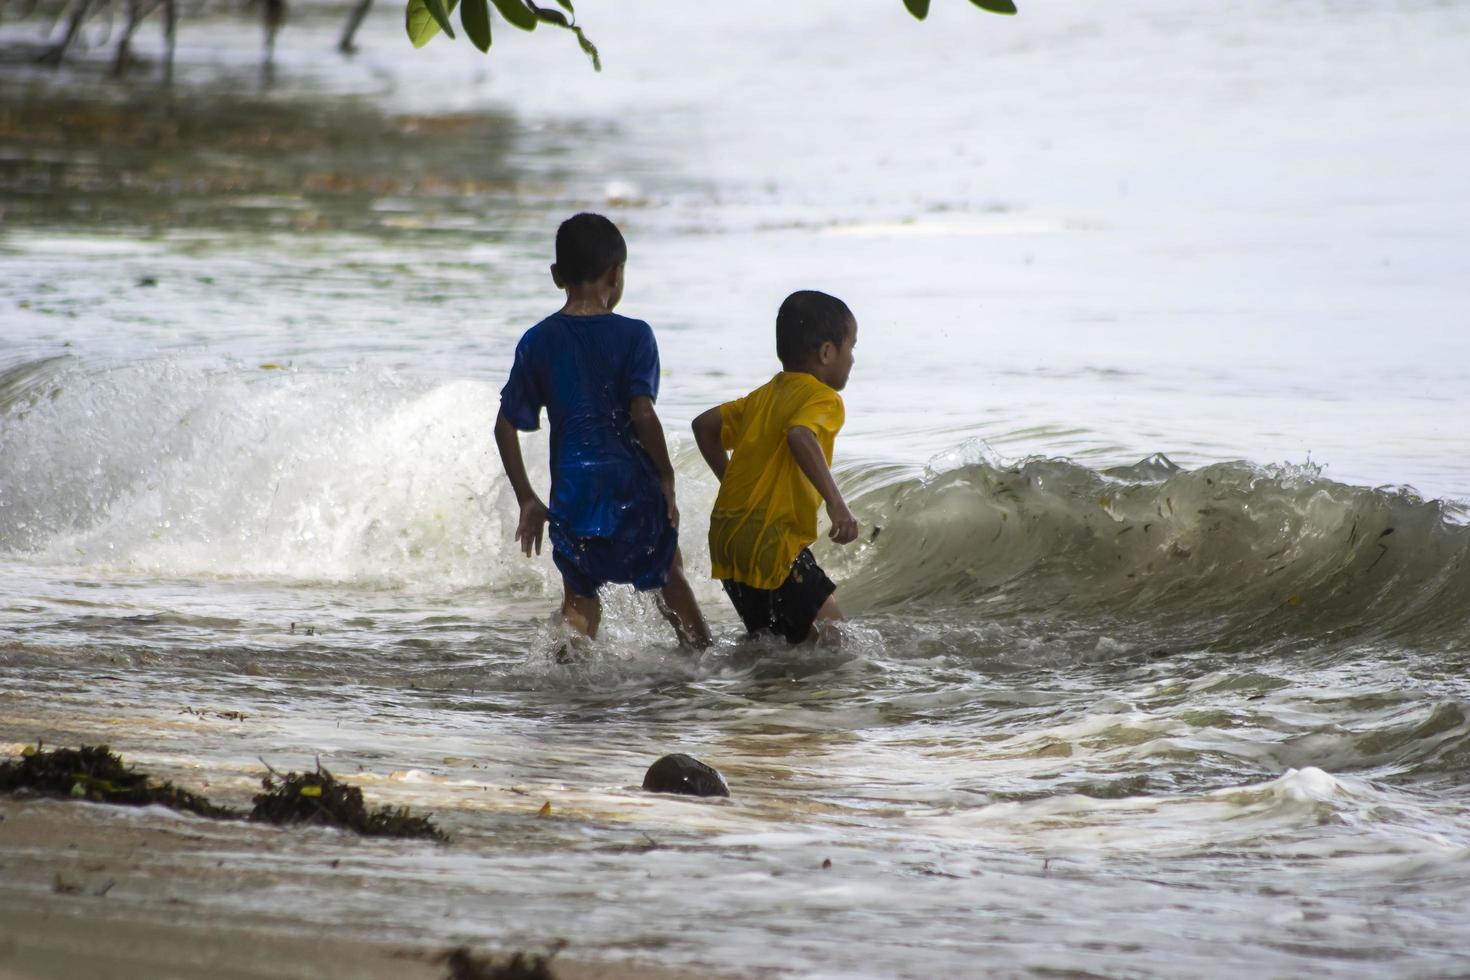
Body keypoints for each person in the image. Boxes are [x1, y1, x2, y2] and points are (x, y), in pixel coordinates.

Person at [493, 213, 710, 650]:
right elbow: (642, 414)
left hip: (572, 493)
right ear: (616, 273)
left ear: (556, 276)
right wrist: (666, 478)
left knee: (579, 598)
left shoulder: (537, 340)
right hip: (631, 489)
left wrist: (528, 499)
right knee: (669, 574)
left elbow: (503, 427)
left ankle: (568, 679)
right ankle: (702, 661)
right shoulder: (635, 335)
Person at [691, 290, 859, 644]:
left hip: (729, 537)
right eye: (851, 347)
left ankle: (759, 693)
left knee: (772, 644)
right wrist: (836, 502)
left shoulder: (764, 396)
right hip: (772, 541)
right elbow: (800, 435)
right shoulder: (824, 398)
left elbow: (703, 426)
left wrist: (732, 483)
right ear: (827, 352)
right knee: (836, 641)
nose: (853, 358)